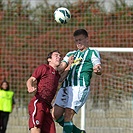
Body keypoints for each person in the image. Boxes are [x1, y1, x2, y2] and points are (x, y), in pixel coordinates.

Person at [52, 29, 102, 133]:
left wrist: (97, 69)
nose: (78, 43)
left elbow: (97, 65)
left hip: (80, 86)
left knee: (68, 114)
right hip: (66, 86)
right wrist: (51, 68)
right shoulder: (71, 53)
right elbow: (62, 66)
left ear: (87, 39)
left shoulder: (92, 52)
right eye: (76, 40)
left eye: (80, 40)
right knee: (55, 115)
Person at [26, 50, 73, 133]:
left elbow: (61, 78)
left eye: (60, 56)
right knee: (36, 129)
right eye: (56, 55)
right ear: (49, 59)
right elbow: (31, 79)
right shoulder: (44, 68)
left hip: (47, 107)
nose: (59, 57)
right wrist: (30, 86)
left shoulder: (56, 74)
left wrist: (69, 65)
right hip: (39, 103)